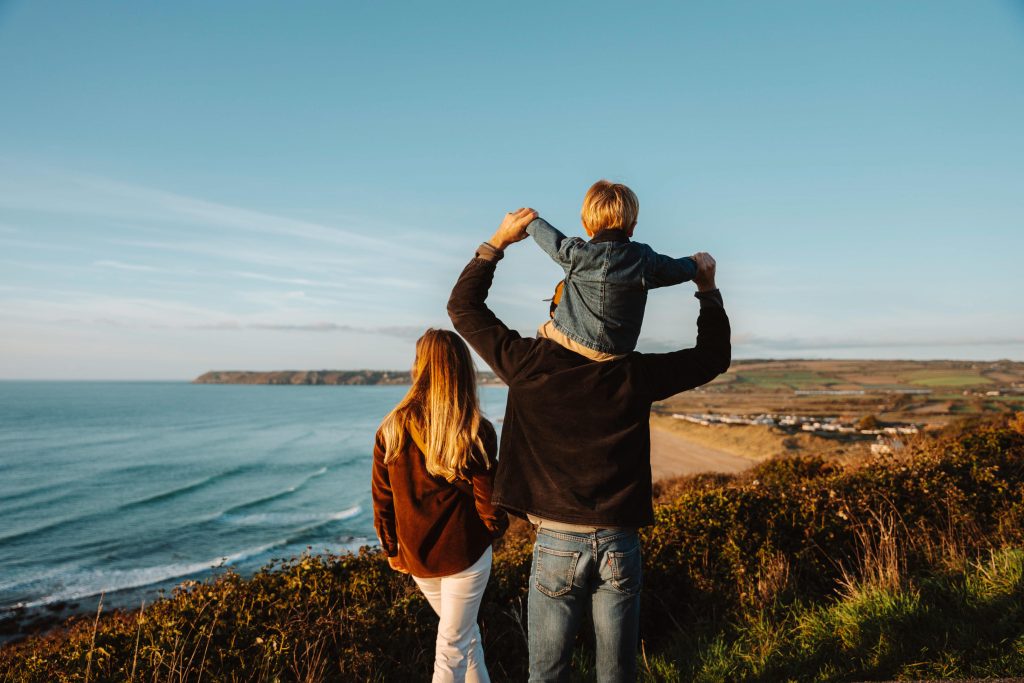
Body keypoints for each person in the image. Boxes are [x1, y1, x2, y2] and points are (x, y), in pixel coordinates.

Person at [447, 208, 730, 682]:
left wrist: (497, 242)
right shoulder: (633, 373)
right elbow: (712, 357)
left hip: (556, 540)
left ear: (559, 310)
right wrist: (707, 289)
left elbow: (463, 309)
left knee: (548, 675)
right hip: (619, 538)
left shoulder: (528, 363)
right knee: (617, 676)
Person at [371, 328, 509, 683]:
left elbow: (382, 500)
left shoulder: (391, 428)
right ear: (461, 369)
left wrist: (392, 548)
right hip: (465, 554)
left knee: (464, 639)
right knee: (453, 646)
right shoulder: (475, 430)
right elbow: (488, 503)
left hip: (419, 557)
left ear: (419, 367)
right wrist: (495, 532)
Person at [527, 180, 700, 361]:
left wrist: (531, 221)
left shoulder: (576, 253)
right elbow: (678, 269)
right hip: (616, 352)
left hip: (574, 340)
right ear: (632, 227)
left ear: (586, 225)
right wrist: (695, 262)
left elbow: (549, 237)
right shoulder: (644, 259)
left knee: (544, 333)